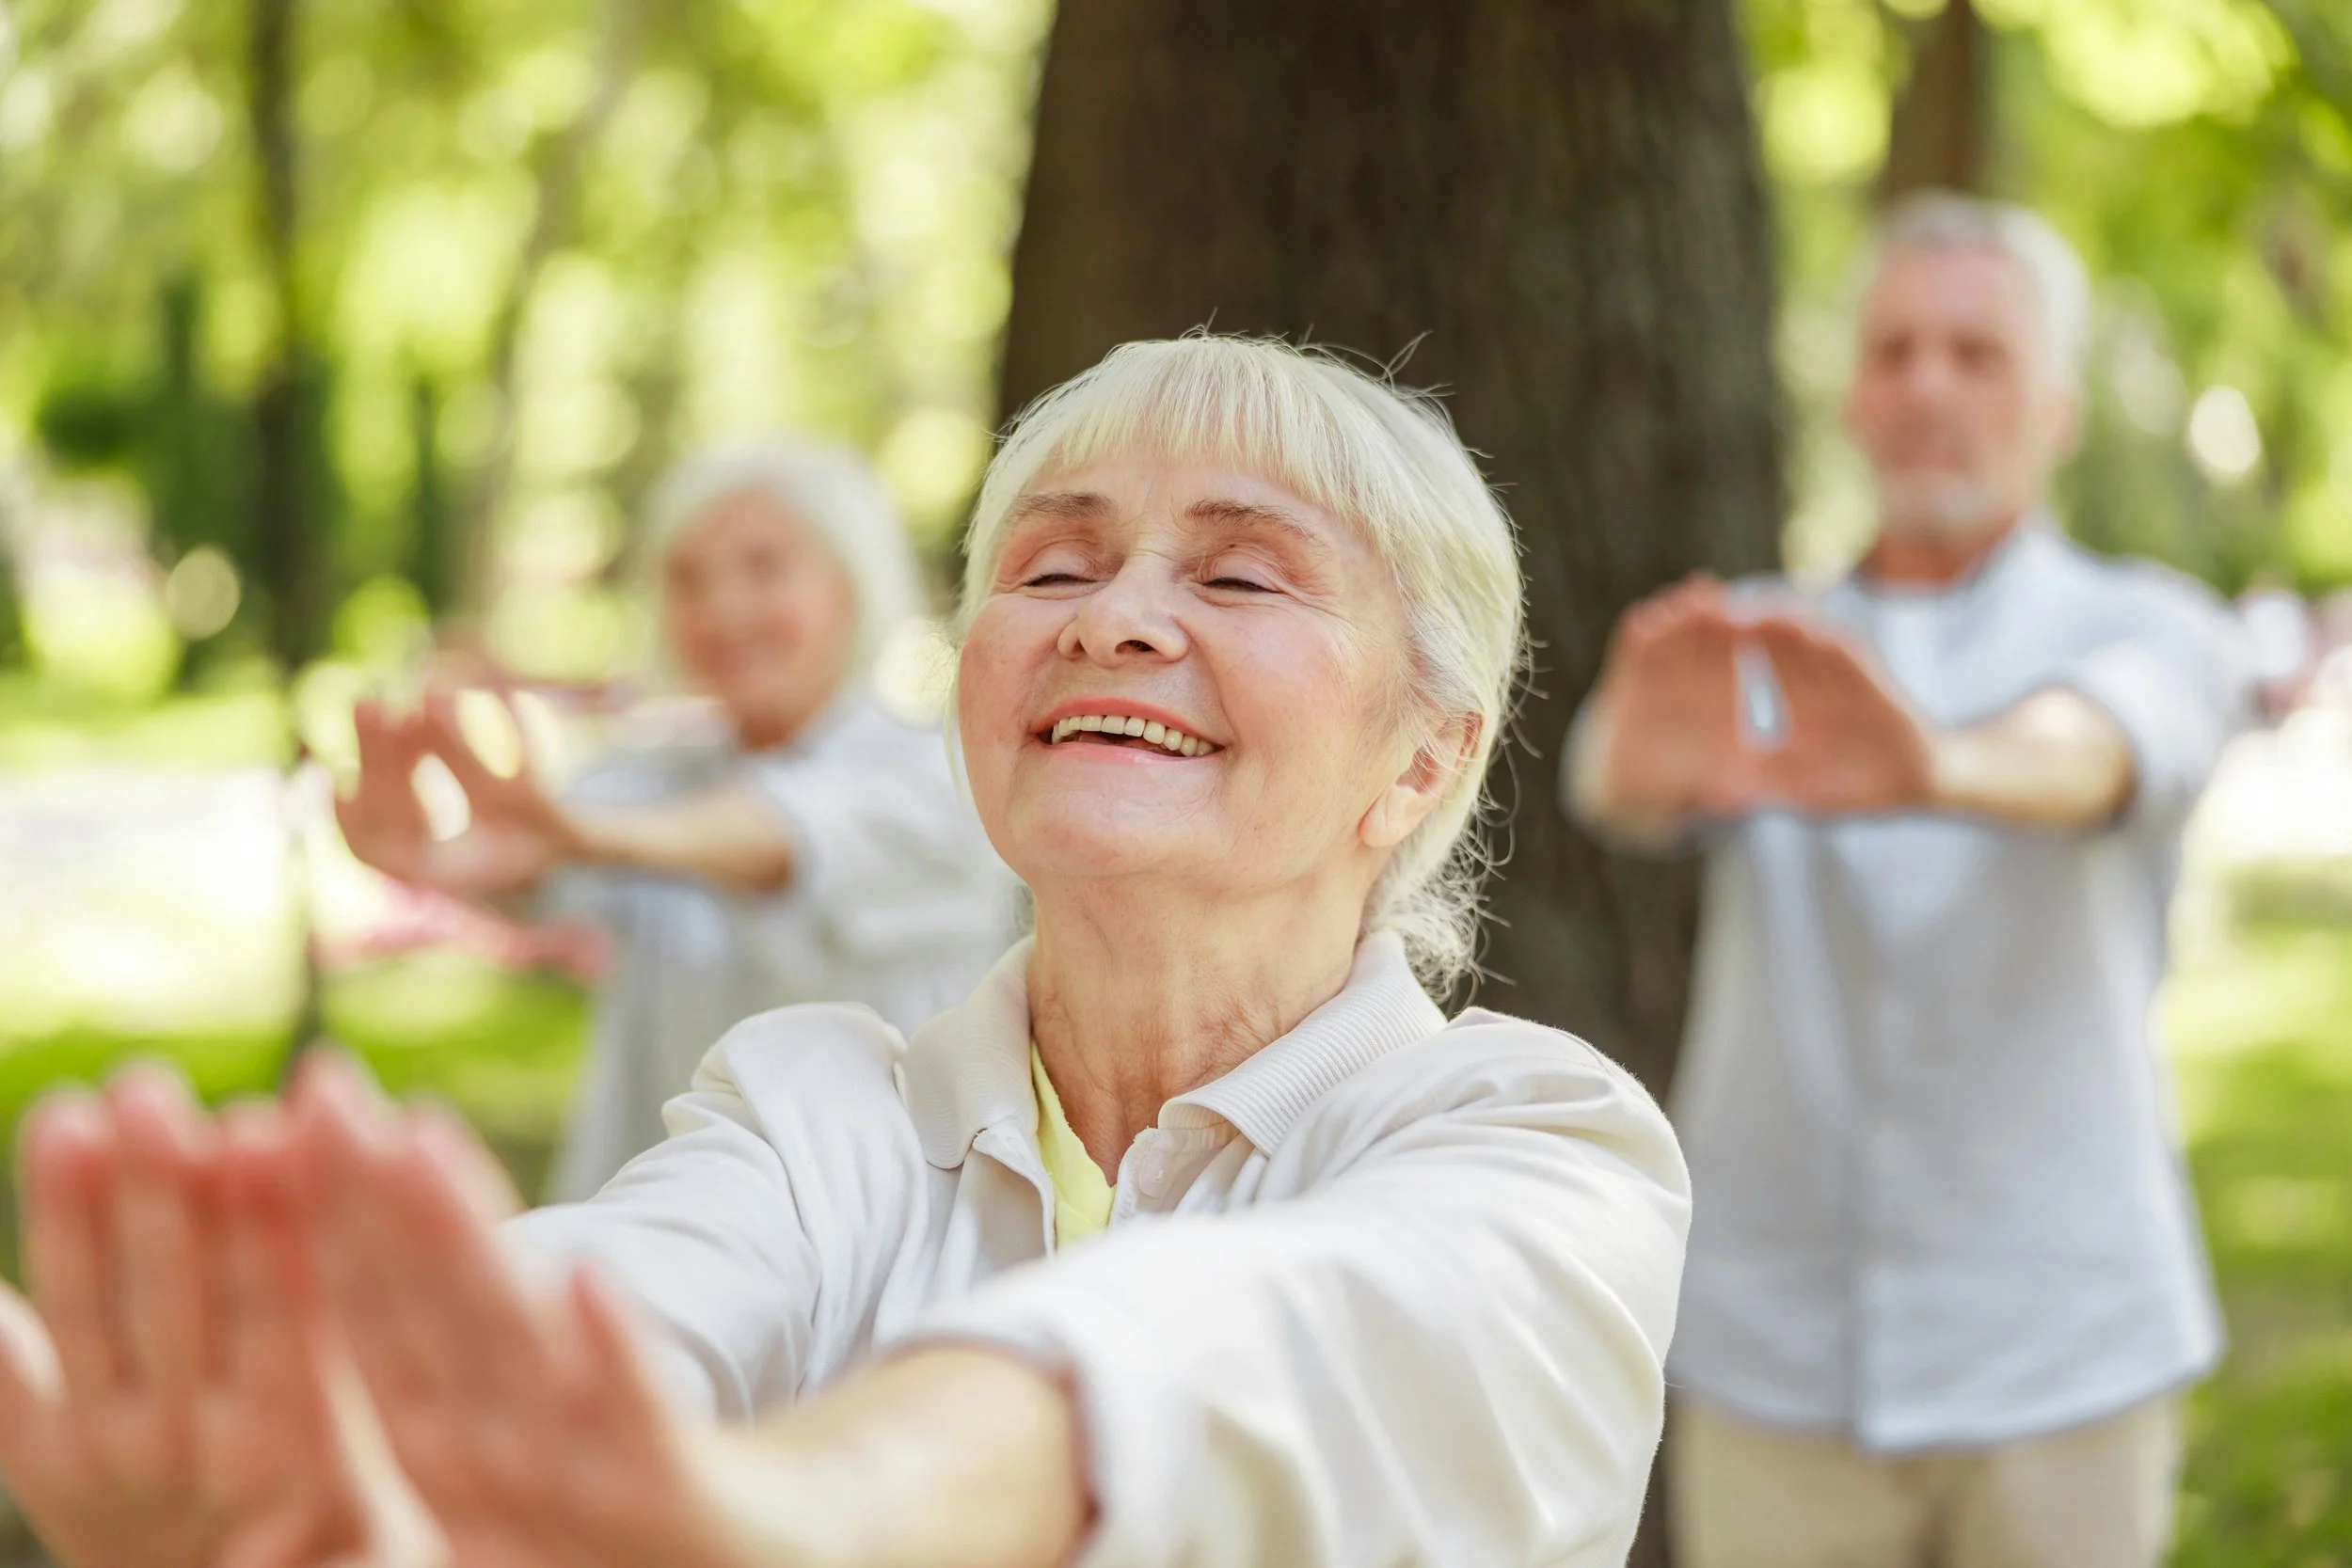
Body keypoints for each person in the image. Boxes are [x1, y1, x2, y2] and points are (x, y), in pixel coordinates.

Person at [0, 335, 1690, 1568]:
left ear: (1423, 758)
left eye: (1242, 576)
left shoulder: (1546, 1145)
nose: (1115, 614)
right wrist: (366, 1462)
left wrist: (795, 1504)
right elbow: (619, 1301)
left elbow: (1261, 1351)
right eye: (1054, 563)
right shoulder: (813, 1105)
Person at [1565, 194, 2253, 1568]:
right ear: (1854, 399)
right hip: (1772, 1355)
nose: (1928, 384)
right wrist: (1631, 755)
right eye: (1893, 351)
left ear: (2057, 408)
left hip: (2065, 1351)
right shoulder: (1761, 634)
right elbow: (1615, 775)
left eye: (1976, 353)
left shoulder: (2152, 619)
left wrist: (1926, 764)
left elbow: (2101, 749)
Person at [335, 439, 1021, 1198]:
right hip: (650, 1242)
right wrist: (436, 857)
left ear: (853, 586)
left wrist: (581, 836)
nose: (721, 609)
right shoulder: (652, 772)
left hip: (868, 1258)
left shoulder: (937, 777)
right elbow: (538, 865)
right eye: (689, 579)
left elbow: (779, 836)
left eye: (765, 568)